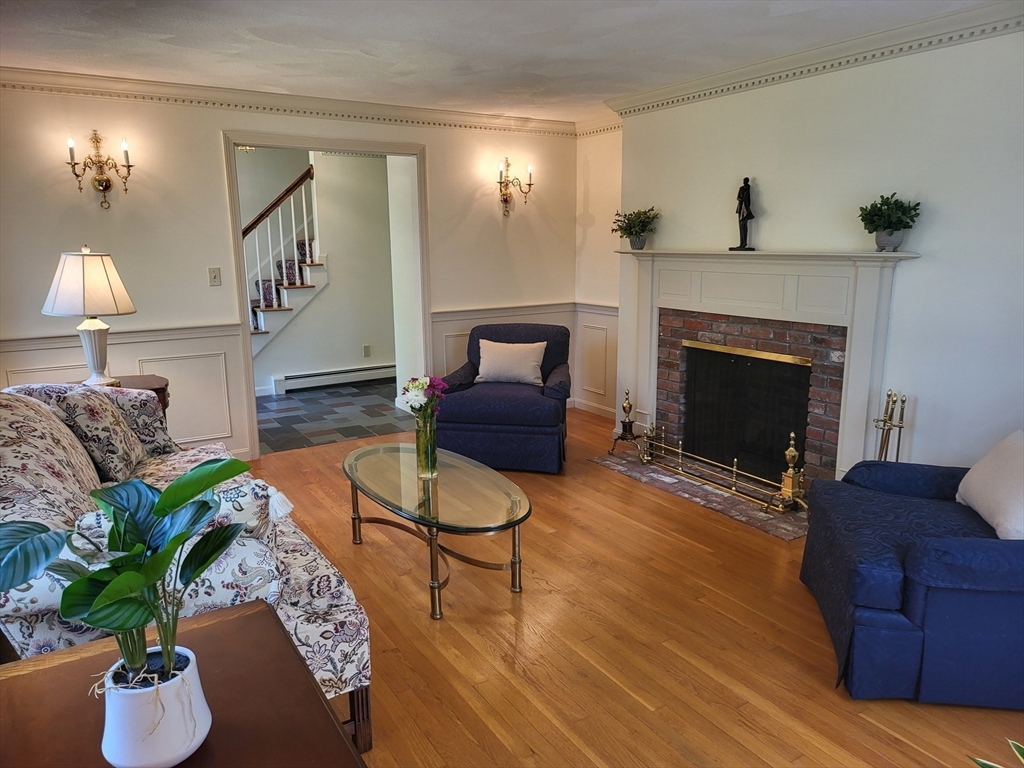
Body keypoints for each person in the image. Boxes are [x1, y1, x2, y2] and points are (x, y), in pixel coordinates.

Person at [729, 177, 755, 251]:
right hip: (741, 208)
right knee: (741, 225)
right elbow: (738, 197)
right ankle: (742, 243)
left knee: (744, 225)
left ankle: (744, 243)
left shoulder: (748, 188)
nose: (744, 182)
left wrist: (746, 205)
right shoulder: (741, 188)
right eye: (744, 181)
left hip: (745, 208)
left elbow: (748, 198)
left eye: (746, 181)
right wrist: (741, 199)